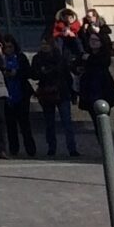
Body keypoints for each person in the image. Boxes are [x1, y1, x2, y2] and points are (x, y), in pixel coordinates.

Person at [35, 28, 80, 158]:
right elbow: (34, 74)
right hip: (46, 93)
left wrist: (73, 93)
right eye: (42, 44)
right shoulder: (38, 58)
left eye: (46, 44)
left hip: (62, 92)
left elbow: (67, 76)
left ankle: (72, 148)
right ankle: (51, 147)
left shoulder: (59, 57)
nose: (44, 46)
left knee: (67, 122)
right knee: (49, 123)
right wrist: (41, 72)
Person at [0, 33, 36, 157]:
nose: (8, 50)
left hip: (21, 92)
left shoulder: (20, 57)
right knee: (10, 124)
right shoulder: (1, 59)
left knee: (25, 123)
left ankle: (30, 148)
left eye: (10, 47)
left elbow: (28, 72)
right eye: (6, 47)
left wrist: (17, 72)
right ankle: (14, 148)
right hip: (7, 93)